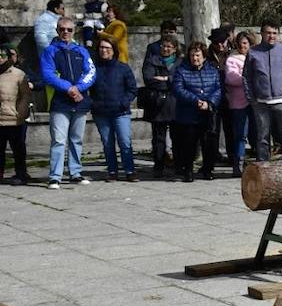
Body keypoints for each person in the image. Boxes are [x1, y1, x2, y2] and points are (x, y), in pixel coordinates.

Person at [39, 17, 95, 189]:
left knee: (76, 139)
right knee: (58, 140)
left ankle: (75, 172)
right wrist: (69, 89)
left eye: (69, 30)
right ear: (57, 30)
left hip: (79, 101)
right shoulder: (50, 51)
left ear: (74, 31)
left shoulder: (82, 51)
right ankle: (55, 176)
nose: (65, 32)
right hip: (61, 102)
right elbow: (48, 74)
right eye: (62, 29)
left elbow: (91, 72)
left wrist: (78, 88)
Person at [243, 21, 282, 162]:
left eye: (275, 33)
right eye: (268, 33)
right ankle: (263, 167)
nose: (271, 36)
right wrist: (251, 98)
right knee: (262, 137)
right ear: (262, 33)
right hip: (261, 103)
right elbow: (247, 77)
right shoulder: (253, 52)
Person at [170, 41, 222, 181]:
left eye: (198, 55)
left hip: (208, 113)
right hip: (188, 114)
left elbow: (218, 89)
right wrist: (195, 101)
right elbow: (178, 89)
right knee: (189, 144)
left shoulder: (212, 70)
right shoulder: (182, 70)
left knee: (209, 144)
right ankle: (188, 171)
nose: (195, 58)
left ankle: (208, 170)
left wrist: (209, 102)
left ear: (204, 56)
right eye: (192, 55)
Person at [89, 36, 139, 181]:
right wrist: (93, 103)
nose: (104, 51)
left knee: (124, 141)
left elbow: (132, 89)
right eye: (101, 48)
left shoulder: (123, 68)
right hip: (101, 112)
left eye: (107, 48)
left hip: (120, 112)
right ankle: (112, 171)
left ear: (113, 50)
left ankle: (130, 171)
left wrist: (123, 102)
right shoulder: (93, 69)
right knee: (107, 143)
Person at [142, 36, 179, 176]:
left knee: (177, 137)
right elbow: (149, 80)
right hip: (157, 103)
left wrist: (165, 79)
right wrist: (170, 81)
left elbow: (181, 80)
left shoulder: (180, 63)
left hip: (176, 103)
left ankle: (178, 164)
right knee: (158, 138)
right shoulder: (152, 61)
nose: (166, 49)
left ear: (174, 49)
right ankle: (158, 166)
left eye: (169, 46)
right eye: (164, 46)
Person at [0, 43, 32, 185]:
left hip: (15, 119)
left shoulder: (18, 74)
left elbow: (25, 96)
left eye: (2, 56)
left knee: (18, 150)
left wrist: (21, 113)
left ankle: (21, 174)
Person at [221, 31, 253, 177]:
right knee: (240, 135)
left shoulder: (255, 58)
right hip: (238, 103)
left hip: (256, 102)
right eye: (240, 43)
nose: (242, 45)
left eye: (245, 43)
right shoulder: (232, 59)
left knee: (258, 135)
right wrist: (249, 79)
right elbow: (231, 79)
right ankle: (238, 164)